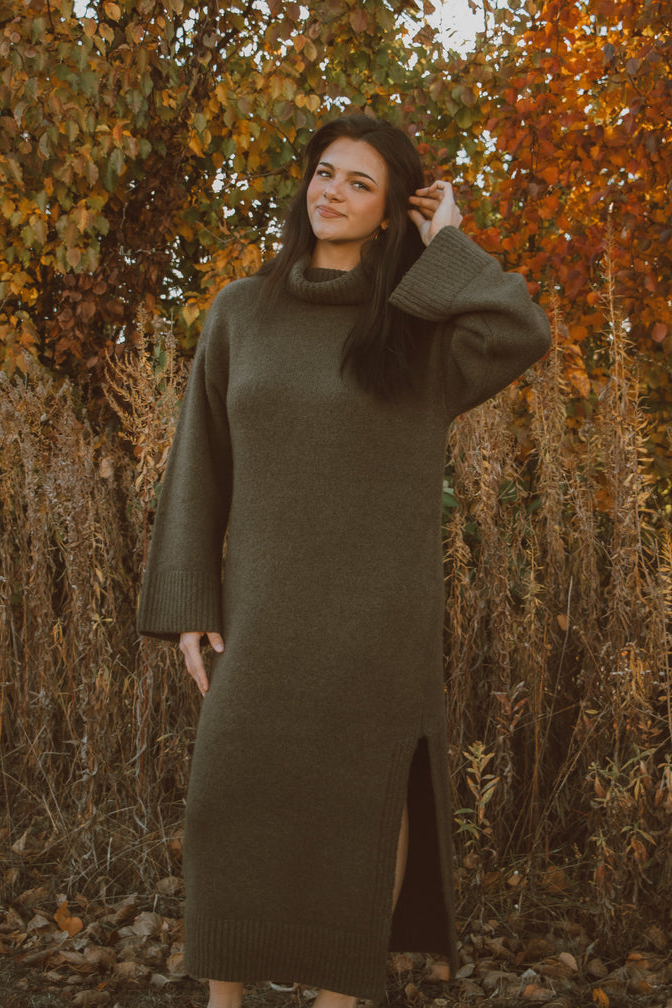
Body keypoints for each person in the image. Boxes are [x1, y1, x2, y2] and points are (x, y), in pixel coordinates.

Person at [137, 114, 551, 1008]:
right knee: (226, 800)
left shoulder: (418, 329)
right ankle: (224, 1000)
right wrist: (189, 601)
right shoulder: (241, 310)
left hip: (378, 616)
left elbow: (521, 329)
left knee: (366, 804)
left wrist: (448, 241)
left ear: (391, 211)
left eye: (361, 183)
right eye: (326, 173)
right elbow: (199, 457)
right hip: (261, 610)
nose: (333, 192)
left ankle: (339, 999)